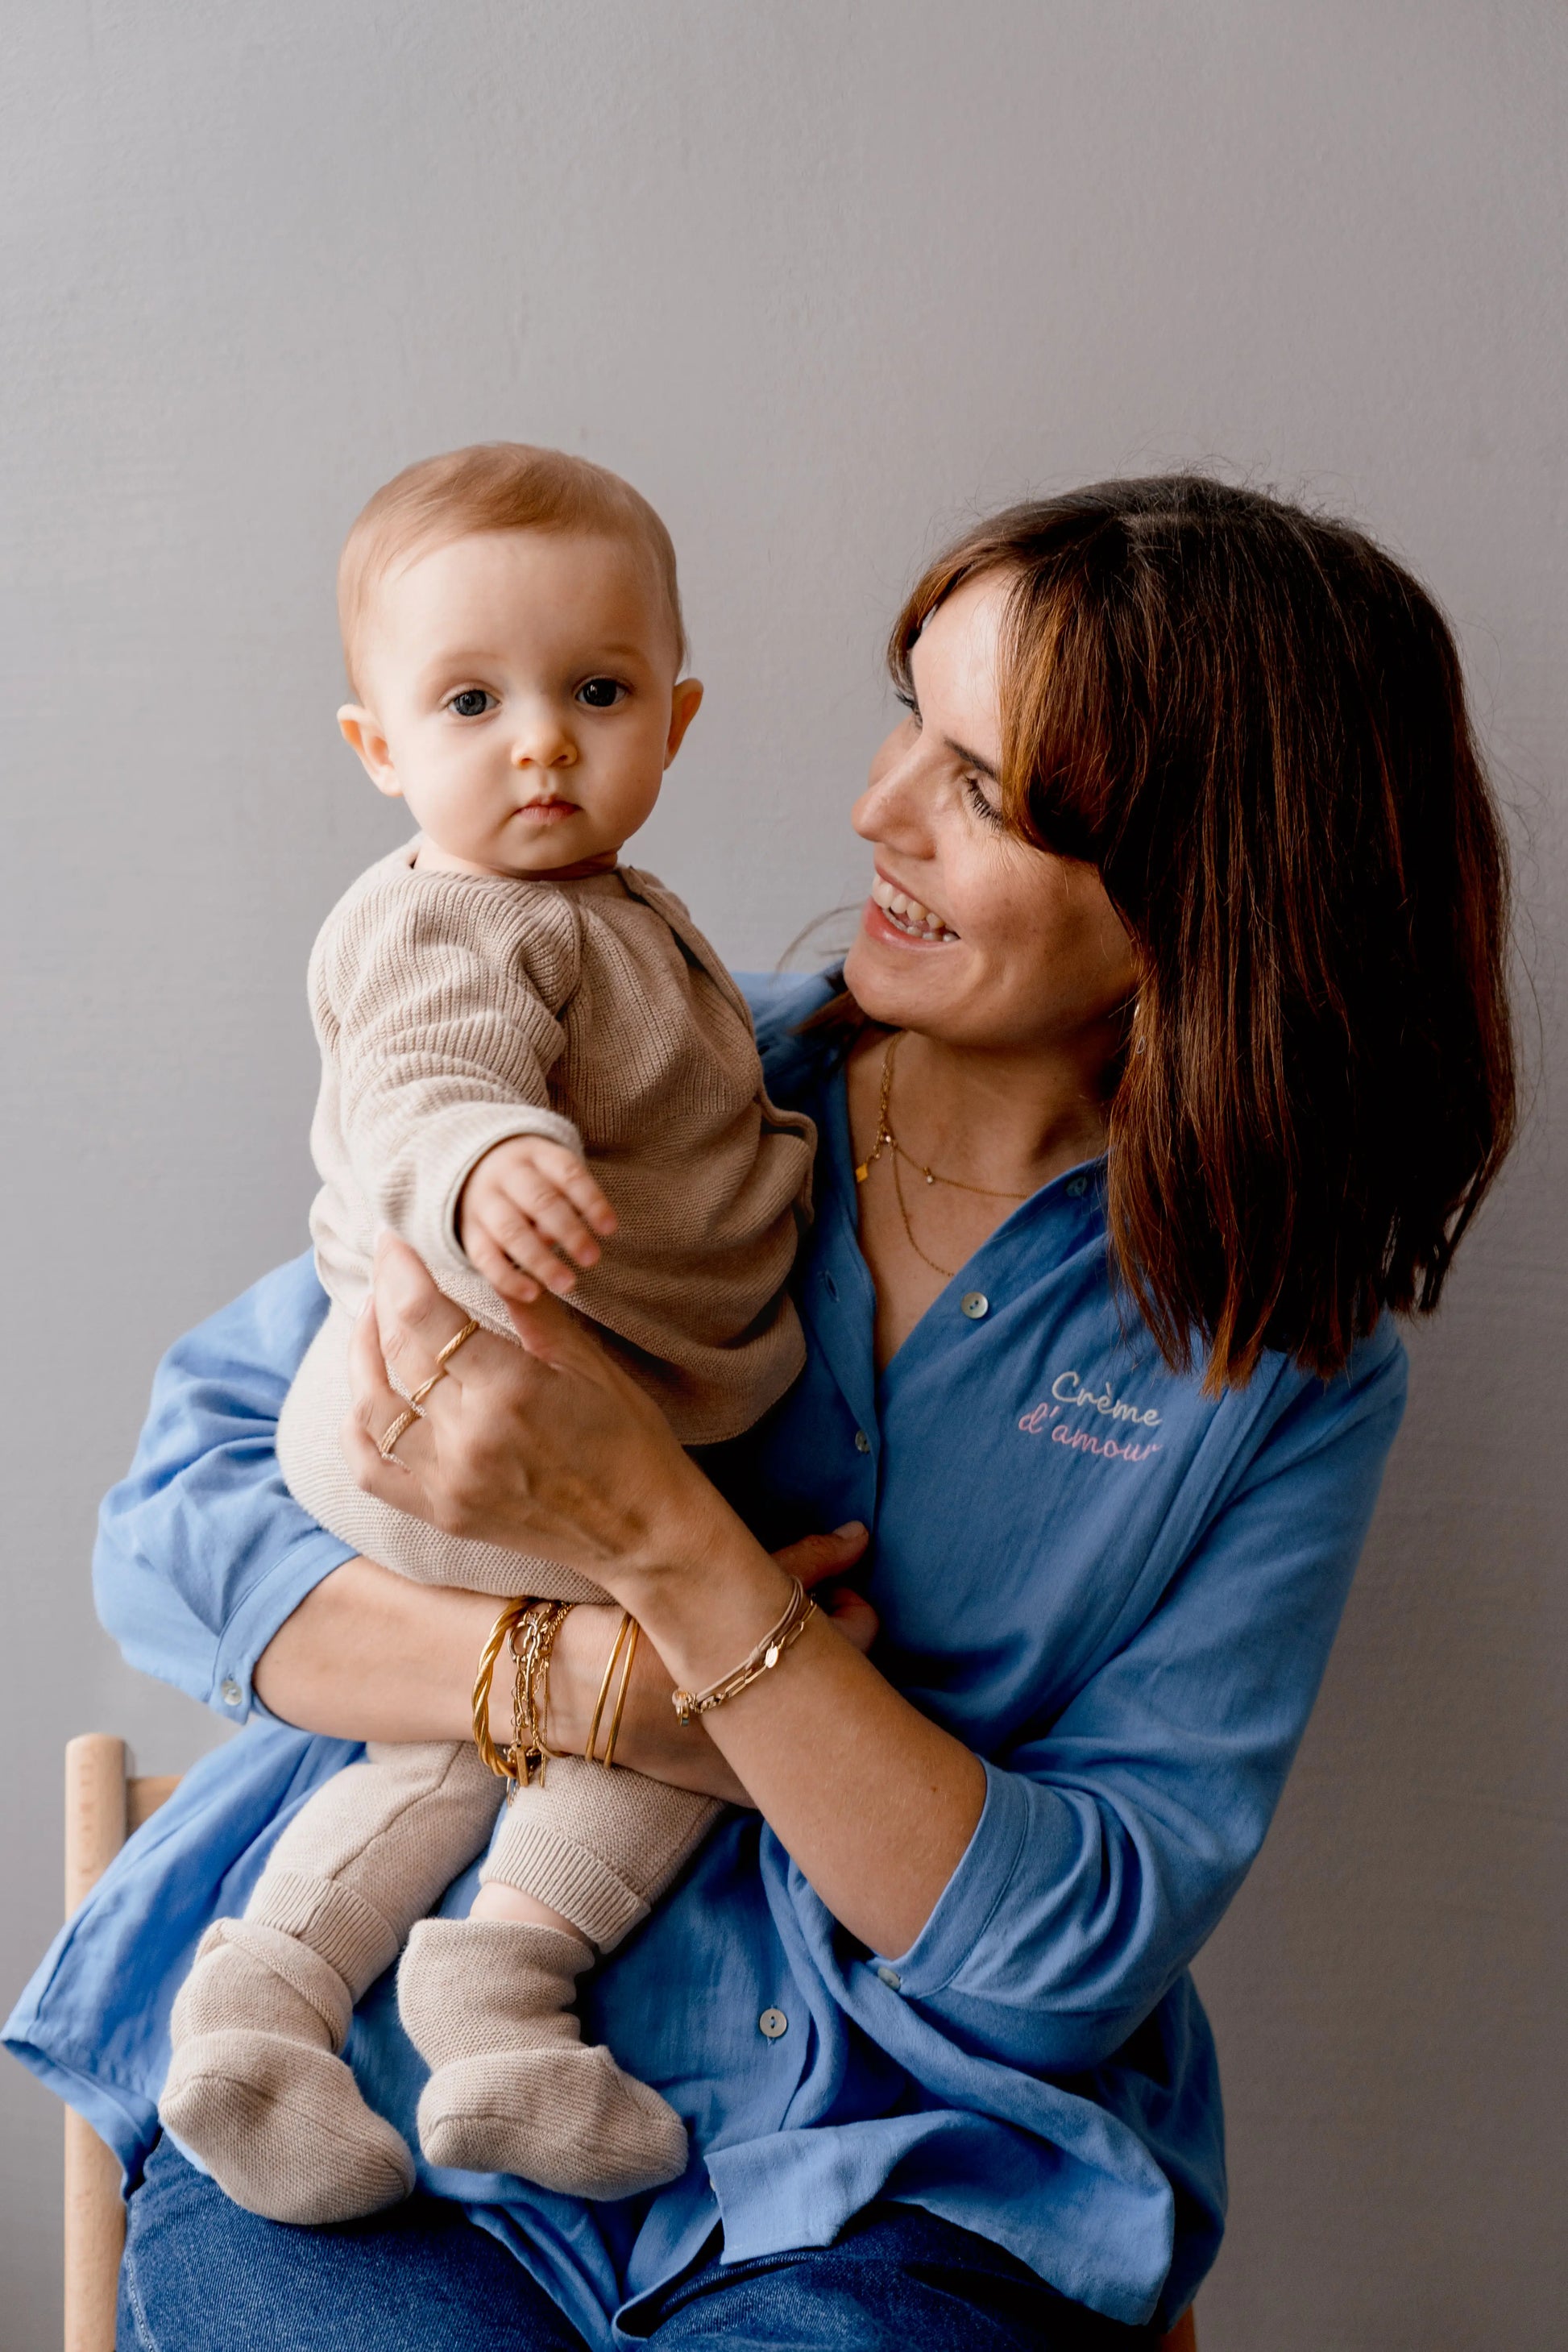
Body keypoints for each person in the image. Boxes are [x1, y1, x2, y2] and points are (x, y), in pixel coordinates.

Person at [5, 475, 1516, 2352]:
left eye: (982, 787)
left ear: (1206, 885)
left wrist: (663, 1533)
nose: (876, 805)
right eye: (912, 720)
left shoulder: (1270, 1366)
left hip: (904, 2186)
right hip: (380, 2101)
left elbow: (1068, 1946)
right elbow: (175, 1534)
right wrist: (588, 1687)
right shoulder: (642, 1093)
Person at [160, 442, 818, 2224]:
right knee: (729, 1680)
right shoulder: (452, 919)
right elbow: (418, 1075)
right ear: (379, 747)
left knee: (440, 1748)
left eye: (595, 692)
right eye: (471, 699)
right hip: (456, 1422)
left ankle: (258, 2003)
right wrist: (486, 1163)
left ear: (675, 719)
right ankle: (504, 1987)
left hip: (465, 1432)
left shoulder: (615, 915)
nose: (540, 740)